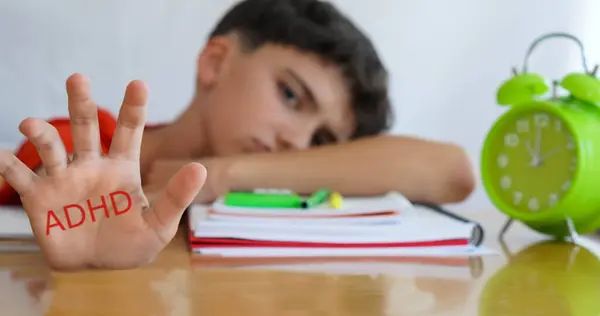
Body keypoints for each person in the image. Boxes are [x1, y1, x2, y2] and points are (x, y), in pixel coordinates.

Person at [0, 0, 475, 271]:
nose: (299, 144)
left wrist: (223, 176)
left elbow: (452, 172)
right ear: (216, 62)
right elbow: (50, 175)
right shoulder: (92, 138)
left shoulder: (258, 201)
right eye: (291, 95)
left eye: (323, 141)